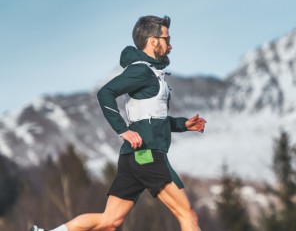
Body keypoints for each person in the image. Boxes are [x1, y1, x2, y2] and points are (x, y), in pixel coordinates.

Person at [30, 15, 206, 231]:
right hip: (149, 155)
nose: (171, 45)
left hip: (133, 157)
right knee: (188, 216)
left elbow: (151, 118)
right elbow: (105, 93)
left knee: (109, 221)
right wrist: (122, 129)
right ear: (153, 41)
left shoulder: (151, 72)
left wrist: (183, 124)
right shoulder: (142, 70)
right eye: (167, 39)